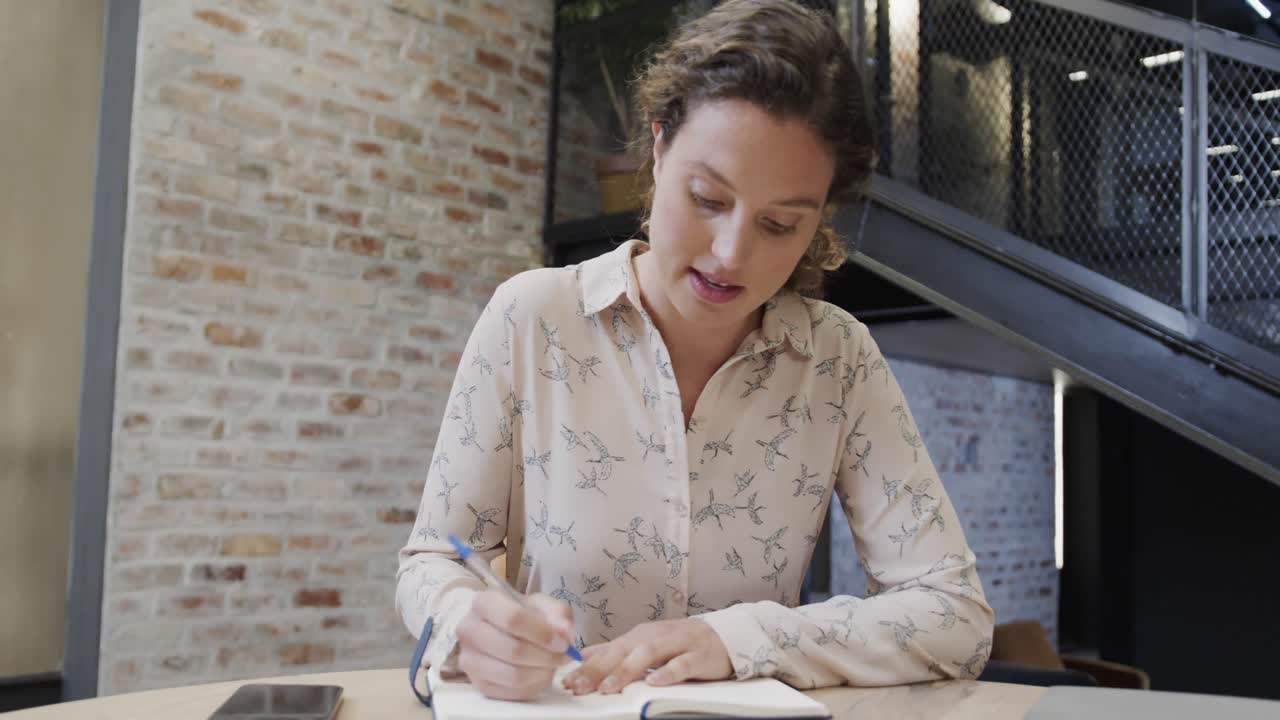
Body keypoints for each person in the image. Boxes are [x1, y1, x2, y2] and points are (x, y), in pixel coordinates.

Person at [396, 0, 994, 702]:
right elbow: (434, 558)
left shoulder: (837, 360)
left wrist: (738, 640)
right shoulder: (535, 318)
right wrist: (467, 619)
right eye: (708, 198)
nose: (732, 253)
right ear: (657, 147)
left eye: (780, 223)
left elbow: (955, 616)